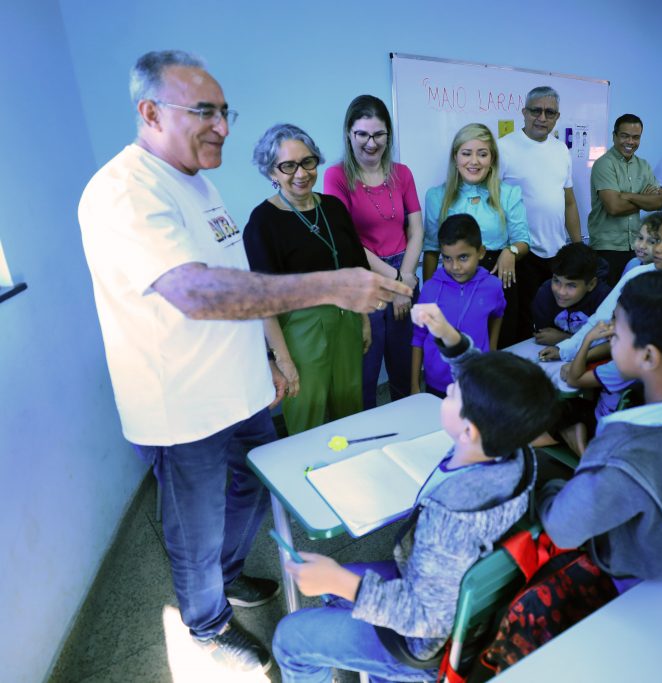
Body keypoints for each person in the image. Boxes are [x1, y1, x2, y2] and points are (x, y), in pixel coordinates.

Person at [77, 50, 409, 673]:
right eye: (203, 111)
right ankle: (204, 625)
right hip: (185, 405)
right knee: (195, 525)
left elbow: (239, 278)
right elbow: (196, 291)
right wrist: (330, 287)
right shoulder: (124, 192)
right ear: (149, 112)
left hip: (242, 388)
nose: (223, 126)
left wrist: (271, 362)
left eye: (224, 112)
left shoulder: (199, 185)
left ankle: (226, 579)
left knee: (252, 491)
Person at [273, 302, 558, 683]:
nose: (451, 384)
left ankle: (392, 674)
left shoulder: (453, 517)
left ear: (470, 430)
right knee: (330, 597)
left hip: (419, 644)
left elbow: (424, 618)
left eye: (454, 393)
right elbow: (479, 381)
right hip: (444, 591)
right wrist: (448, 336)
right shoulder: (516, 451)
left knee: (292, 637)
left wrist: (340, 581)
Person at [538, 271, 662, 582]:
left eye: (616, 335)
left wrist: (551, 491)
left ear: (648, 356)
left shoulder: (623, 449)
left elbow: (563, 529)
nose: (610, 339)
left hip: (629, 580)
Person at [244, 124, 371, 434]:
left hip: (348, 320)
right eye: (288, 166)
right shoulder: (263, 222)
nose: (300, 173)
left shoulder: (334, 208)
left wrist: (364, 320)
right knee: (306, 415)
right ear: (271, 171)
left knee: (351, 406)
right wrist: (282, 359)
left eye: (308, 162)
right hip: (300, 332)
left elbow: (357, 268)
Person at [323, 95, 424, 408]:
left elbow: (416, 229)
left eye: (378, 134)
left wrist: (406, 279)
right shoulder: (336, 176)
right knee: (365, 375)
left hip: (403, 274)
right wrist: (395, 281)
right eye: (362, 134)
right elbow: (348, 241)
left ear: (388, 136)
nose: (371, 143)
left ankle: (407, 434)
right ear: (349, 134)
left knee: (405, 370)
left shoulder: (402, 173)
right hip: (366, 279)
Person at [541, 207, 662, 364]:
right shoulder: (636, 274)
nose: (657, 249)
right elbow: (601, 319)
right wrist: (565, 349)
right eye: (657, 241)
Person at [423, 123, 530, 348]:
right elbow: (431, 249)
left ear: (492, 159)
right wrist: (429, 295)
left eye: (482, 154)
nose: (474, 161)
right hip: (454, 280)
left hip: (499, 277)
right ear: (455, 157)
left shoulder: (508, 194)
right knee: (458, 348)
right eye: (466, 153)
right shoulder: (436, 196)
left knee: (499, 349)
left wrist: (511, 251)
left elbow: (523, 241)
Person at [498, 86, 583, 340]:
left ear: (557, 117)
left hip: (556, 252)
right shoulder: (503, 147)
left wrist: (577, 247)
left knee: (553, 322)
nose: (542, 118)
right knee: (520, 323)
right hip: (521, 253)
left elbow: (569, 201)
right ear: (524, 112)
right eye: (536, 110)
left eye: (550, 112)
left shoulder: (561, 150)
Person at [413, 215, 505, 398]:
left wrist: (491, 350)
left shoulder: (492, 286)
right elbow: (418, 338)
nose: (455, 266)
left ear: (481, 252)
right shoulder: (431, 289)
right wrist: (414, 385)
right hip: (437, 383)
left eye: (463, 257)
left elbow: (498, 314)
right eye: (447, 258)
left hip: (477, 378)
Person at [588, 113, 662, 284]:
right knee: (607, 298)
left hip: (636, 245)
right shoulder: (604, 164)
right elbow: (614, 207)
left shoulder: (643, 165)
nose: (630, 142)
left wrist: (629, 196)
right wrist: (645, 200)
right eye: (625, 136)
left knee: (629, 298)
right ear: (614, 136)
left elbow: (659, 202)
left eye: (636, 137)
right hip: (607, 247)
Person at [531, 242, 611, 346]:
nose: (561, 292)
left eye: (571, 285)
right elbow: (543, 335)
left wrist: (564, 338)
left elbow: (609, 340)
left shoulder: (605, 299)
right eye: (556, 281)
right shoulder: (545, 293)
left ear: (591, 284)